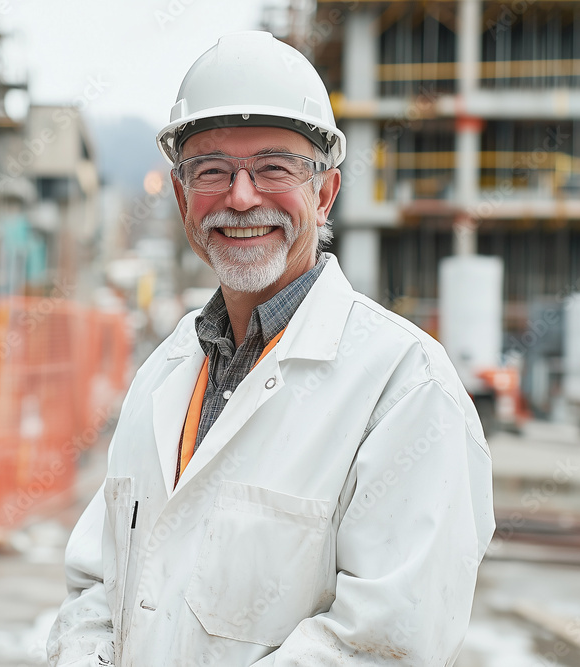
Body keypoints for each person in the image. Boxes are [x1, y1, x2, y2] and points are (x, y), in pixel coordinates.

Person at [47, 31, 495, 666]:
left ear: (325, 192)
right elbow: (98, 585)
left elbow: (385, 645)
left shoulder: (405, 388)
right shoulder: (164, 375)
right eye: (211, 171)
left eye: (273, 167)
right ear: (181, 198)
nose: (241, 196)